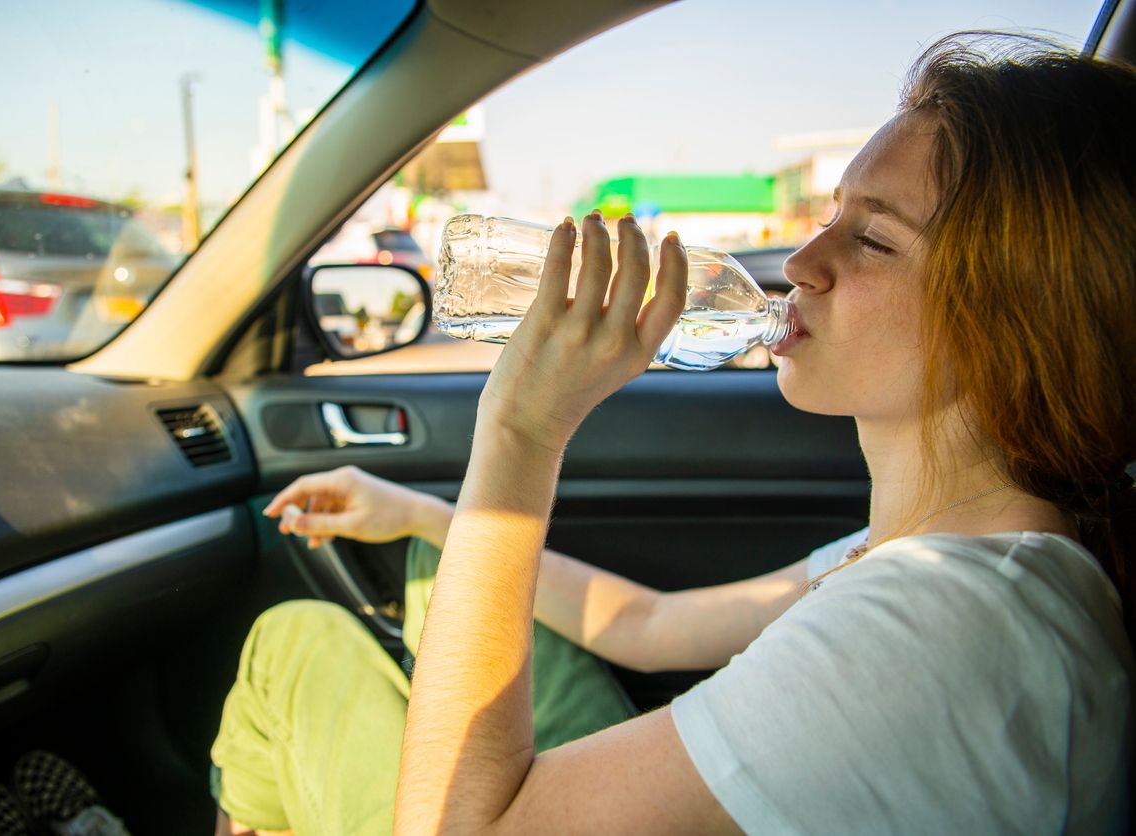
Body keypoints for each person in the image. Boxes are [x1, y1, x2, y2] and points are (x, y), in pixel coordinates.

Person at [210, 33, 1136, 835]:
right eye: (829, 220)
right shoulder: (940, 562)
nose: (801, 265)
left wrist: (522, 426)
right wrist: (416, 513)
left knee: (291, 648)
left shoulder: (945, 623)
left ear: (1020, 320)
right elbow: (652, 628)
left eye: (873, 241)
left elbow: (459, 824)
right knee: (428, 580)